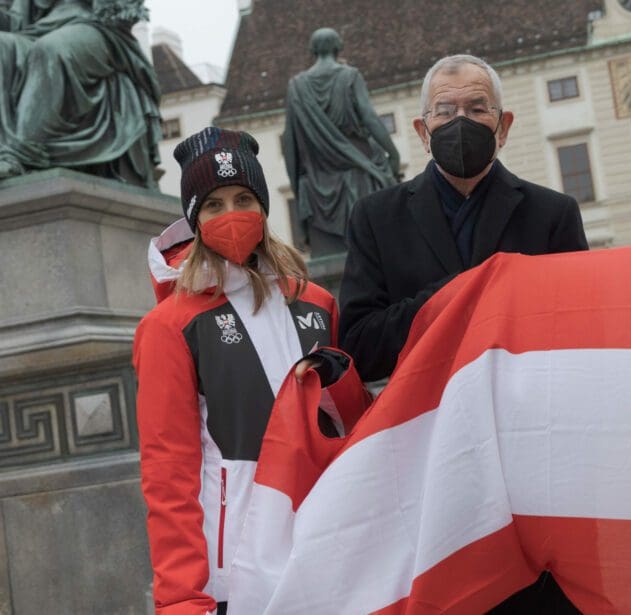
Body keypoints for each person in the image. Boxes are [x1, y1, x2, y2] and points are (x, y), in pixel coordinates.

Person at [337, 53, 589, 611]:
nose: (461, 122)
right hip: (426, 459)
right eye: (445, 111)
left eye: (477, 109)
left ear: (504, 125)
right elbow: (359, 344)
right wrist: (451, 298)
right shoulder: (376, 217)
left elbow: (579, 346)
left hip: (529, 456)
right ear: (422, 130)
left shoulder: (551, 214)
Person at [134, 127, 370, 614]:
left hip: (326, 546)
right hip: (237, 572)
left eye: (243, 199)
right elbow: (168, 472)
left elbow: (350, 428)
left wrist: (341, 383)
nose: (232, 214)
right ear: (195, 219)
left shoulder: (316, 304)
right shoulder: (170, 326)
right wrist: (181, 598)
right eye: (214, 205)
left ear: (263, 207)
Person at [0, 0, 161, 186]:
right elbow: (15, 20)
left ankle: (21, 153)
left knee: (51, 50)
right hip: (38, 31)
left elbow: (122, 11)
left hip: (97, 27)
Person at [283, 27, 401, 256]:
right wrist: (393, 154)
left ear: (312, 50)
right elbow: (369, 117)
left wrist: (297, 186)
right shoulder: (350, 76)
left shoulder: (296, 86)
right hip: (358, 169)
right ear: (338, 47)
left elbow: (290, 141)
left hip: (317, 180)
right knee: (386, 178)